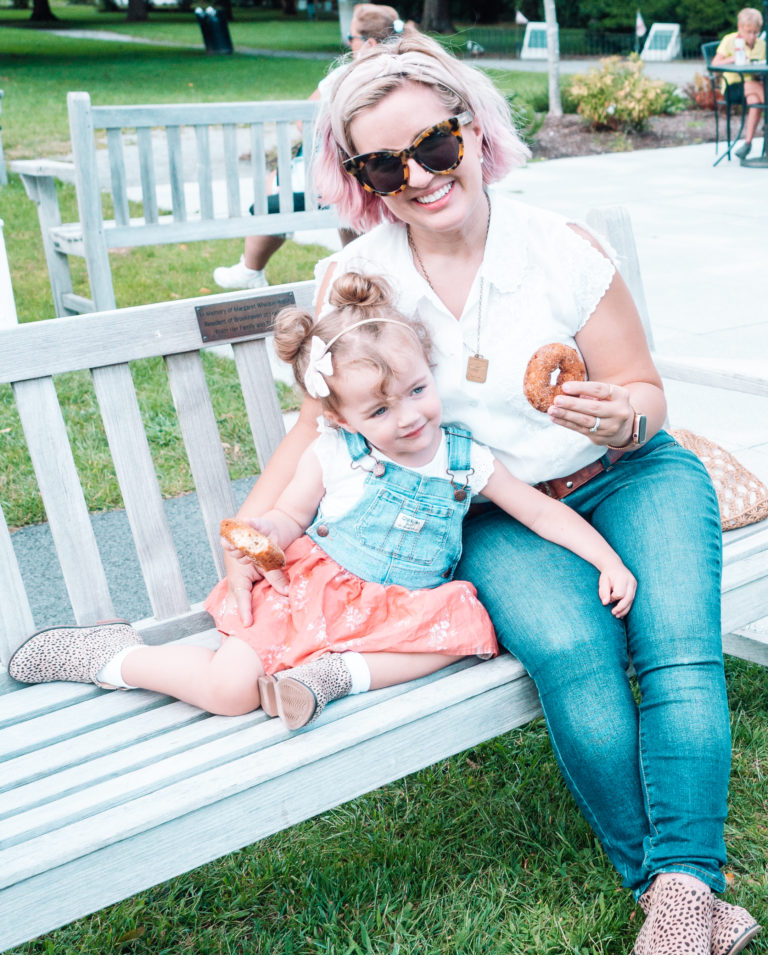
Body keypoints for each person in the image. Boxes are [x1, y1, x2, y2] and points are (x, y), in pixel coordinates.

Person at [215, 33, 759, 955]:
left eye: (435, 144)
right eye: (385, 164)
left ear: (474, 131)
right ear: (359, 181)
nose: (419, 176)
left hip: (633, 475)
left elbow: (646, 389)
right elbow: (316, 424)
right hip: (495, 511)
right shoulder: (358, 281)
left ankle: (680, 887)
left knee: (678, 654)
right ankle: (675, 894)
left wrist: (623, 411)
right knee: (574, 656)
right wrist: (251, 534)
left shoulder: (559, 248)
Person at [8, 272, 636, 736]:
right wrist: (263, 536)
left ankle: (334, 677)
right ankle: (113, 657)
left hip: (394, 612)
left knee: (469, 630)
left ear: (429, 372)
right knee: (231, 692)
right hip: (311, 596)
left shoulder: (465, 458)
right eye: (380, 409)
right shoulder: (336, 454)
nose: (410, 416)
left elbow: (541, 511)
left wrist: (608, 561)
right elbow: (288, 517)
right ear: (340, 416)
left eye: (418, 390)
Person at [212, 4, 411, 291]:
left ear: (367, 44)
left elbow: (303, 120)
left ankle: (249, 268)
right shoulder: (407, 69)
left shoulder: (343, 76)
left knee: (283, 193)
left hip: (349, 185)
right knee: (306, 183)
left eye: (351, 39)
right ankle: (354, 267)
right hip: (388, 177)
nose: (348, 44)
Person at [712, 7, 766, 161]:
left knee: (755, 101)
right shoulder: (730, 40)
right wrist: (733, 58)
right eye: (748, 32)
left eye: (755, 32)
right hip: (732, 87)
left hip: (753, 87)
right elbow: (715, 63)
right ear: (740, 28)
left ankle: (747, 144)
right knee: (760, 91)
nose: (752, 36)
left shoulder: (761, 45)